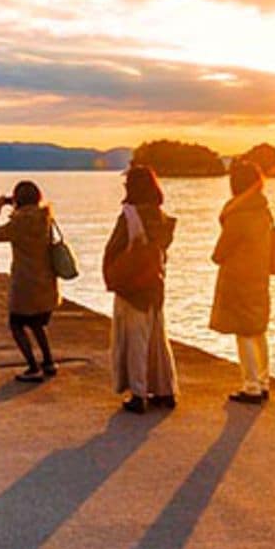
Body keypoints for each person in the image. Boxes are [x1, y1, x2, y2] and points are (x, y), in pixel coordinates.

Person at [102, 164, 179, 414]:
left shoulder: (130, 216)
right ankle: (166, 390)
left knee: (135, 341)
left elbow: (115, 247)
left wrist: (112, 272)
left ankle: (138, 393)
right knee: (157, 338)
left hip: (132, 286)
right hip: (155, 283)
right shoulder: (161, 217)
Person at [210, 159, 275, 405]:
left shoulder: (238, 214)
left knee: (244, 333)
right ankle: (264, 381)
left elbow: (221, 252)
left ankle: (251, 386)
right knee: (258, 330)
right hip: (259, 276)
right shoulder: (263, 211)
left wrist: (217, 256)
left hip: (238, 278)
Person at [0, 180, 61, 382]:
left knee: (16, 324)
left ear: (17, 199)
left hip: (26, 284)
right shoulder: (45, 218)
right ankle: (48, 361)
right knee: (37, 323)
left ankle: (33, 367)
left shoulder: (19, 222)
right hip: (46, 283)